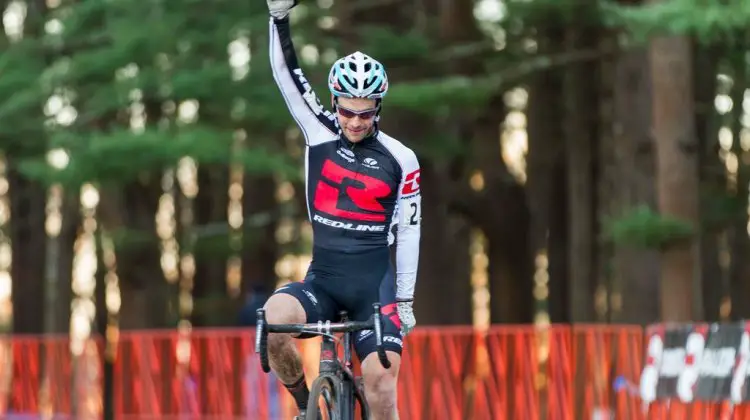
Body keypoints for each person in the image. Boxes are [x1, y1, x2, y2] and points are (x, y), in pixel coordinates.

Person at [263, 1, 422, 419]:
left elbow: (409, 231)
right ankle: (303, 407)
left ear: (378, 107)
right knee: (273, 324)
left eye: (365, 113)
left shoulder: (401, 158)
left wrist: (404, 298)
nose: (354, 121)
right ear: (335, 102)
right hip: (325, 280)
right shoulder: (318, 132)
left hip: (375, 287)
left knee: (382, 383)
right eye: (347, 110)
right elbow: (287, 76)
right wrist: (278, 18)